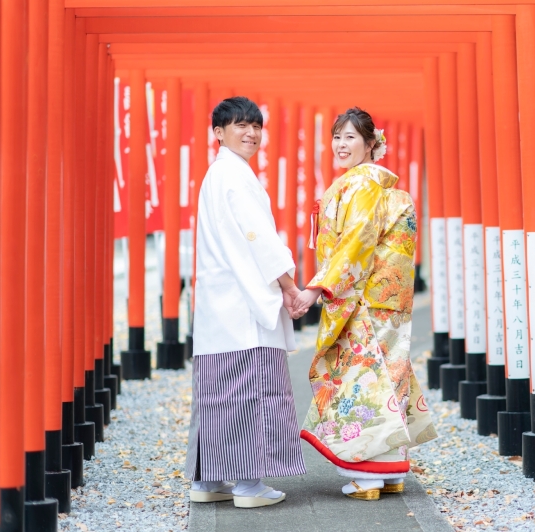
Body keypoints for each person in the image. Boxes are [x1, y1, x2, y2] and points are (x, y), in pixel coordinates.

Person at [292, 107, 437, 501]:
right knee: (387, 378)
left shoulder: (362, 185)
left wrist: (317, 288)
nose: (341, 144)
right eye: (337, 136)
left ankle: (367, 474)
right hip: (386, 300)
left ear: (371, 144)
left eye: (351, 137)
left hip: (363, 301)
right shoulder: (378, 186)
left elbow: (356, 241)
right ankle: (389, 470)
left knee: (361, 382)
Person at [185, 97, 307, 509]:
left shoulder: (217, 174)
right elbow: (260, 241)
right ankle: (249, 484)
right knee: (251, 391)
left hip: (219, 305)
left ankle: (209, 480)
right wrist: (290, 286)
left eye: (256, 125)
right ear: (218, 132)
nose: (251, 133)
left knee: (217, 392)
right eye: (240, 125)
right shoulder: (235, 177)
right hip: (244, 305)